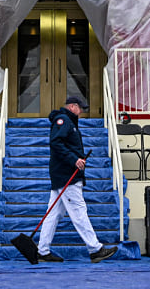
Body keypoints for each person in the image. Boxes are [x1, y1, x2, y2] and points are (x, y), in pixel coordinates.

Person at [36, 94, 117, 263]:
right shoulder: (64, 121)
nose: (81, 112)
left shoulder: (67, 122)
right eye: (80, 108)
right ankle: (95, 249)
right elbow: (56, 142)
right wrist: (74, 159)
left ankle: (42, 251)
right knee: (79, 212)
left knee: (53, 214)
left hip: (62, 174)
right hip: (67, 176)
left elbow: (59, 143)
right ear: (73, 106)